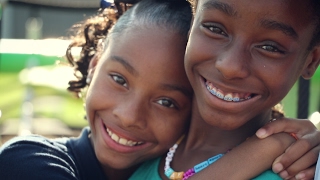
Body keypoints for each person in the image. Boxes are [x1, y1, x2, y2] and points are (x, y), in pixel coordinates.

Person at [0, 0, 318, 180]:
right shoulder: (28, 160)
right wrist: (262, 150)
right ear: (95, 65)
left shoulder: (298, 168)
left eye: (166, 101)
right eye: (120, 79)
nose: (128, 116)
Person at [128, 0, 320, 179]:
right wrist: (263, 150)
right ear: (193, 21)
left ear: (311, 61)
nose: (230, 67)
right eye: (214, 29)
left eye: (270, 47)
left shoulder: (294, 172)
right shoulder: (136, 140)